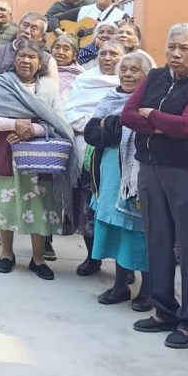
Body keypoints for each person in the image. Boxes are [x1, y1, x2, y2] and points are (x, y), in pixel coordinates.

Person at [121, 23, 188, 348]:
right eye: (171, 46)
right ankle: (164, 311)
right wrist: (162, 124)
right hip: (150, 168)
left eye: (184, 48)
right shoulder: (155, 77)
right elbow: (128, 114)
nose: (175, 53)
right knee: (157, 239)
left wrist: (151, 117)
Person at [0, 39, 76, 280]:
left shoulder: (48, 88)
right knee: (5, 204)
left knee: (40, 205)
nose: (25, 60)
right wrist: (15, 124)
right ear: (14, 60)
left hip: (39, 155)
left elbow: (58, 121)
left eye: (31, 57)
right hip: (6, 150)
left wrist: (33, 130)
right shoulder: (2, 83)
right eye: (21, 56)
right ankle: (6, 254)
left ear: (40, 63)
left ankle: (38, 258)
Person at [85, 50, 155, 310]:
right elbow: (93, 133)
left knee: (140, 230)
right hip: (111, 175)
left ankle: (148, 290)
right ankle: (120, 285)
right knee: (116, 228)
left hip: (138, 176)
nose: (127, 74)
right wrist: (116, 125)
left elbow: (141, 129)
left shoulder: (153, 100)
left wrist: (112, 124)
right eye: (123, 69)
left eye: (134, 70)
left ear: (147, 75)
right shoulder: (110, 98)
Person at [64, 37, 123, 275]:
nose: (107, 58)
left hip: (119, 157)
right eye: (103, 54)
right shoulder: (84, 80)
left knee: (118, 211)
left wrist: (103, 127)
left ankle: (124, 265)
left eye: (114, 54)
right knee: (87, 208)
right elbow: (71, 112)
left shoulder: (130, 81)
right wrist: (96, 126)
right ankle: (92, 257)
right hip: (86, 152)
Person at [50, 32, 83, 100]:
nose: (60, 52)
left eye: (66, 49)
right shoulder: (42, 69)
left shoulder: (82, 76)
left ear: (74, 55)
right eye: (57, 48)